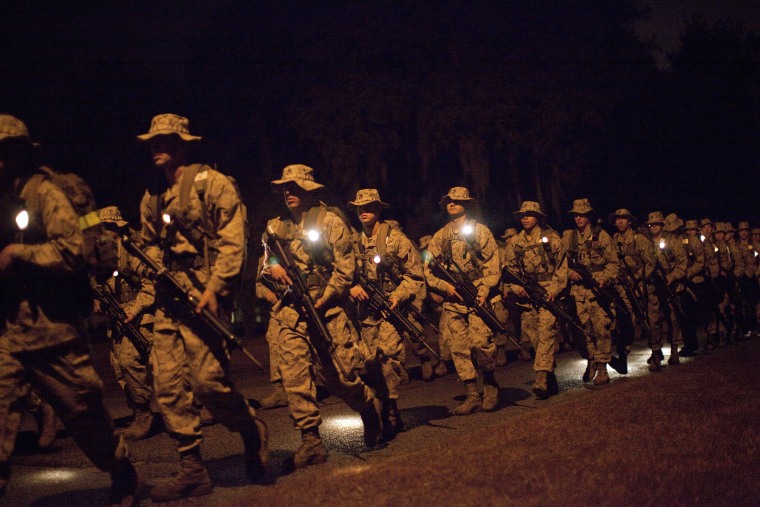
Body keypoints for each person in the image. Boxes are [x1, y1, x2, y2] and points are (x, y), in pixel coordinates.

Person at [0, 114, 139, 505]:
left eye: (6, 152)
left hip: (53, 329)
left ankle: (121, 470)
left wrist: (19, 254)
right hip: (8, 331)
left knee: (84, 414)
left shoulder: (45, 193)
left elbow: (73, 250)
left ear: (22, 154)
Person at [137, 113, 267, 501]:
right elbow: (146, 242)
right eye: (153, 143)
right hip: (169, 299)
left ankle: (249, 427)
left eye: (165, 141)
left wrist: (217, 286)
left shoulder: (213, 184)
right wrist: (154, 267)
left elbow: (233, 240)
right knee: (168, 384)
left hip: (206, 296)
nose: (157, 148)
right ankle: (193, 469)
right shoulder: (152, 195)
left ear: (183, 145)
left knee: (208, 383)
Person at [262, 164, 383, 469]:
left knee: (341, 377)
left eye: (295, 187)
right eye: (285, 188)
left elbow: (345, 270)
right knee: (295, 378)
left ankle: (368, 405)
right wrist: (271, 268)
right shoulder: (274, 227)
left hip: (326, 309)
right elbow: (265, 262)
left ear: (308, 189)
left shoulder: (331, 222)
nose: (288, 193)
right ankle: (311, 441)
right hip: (291, 311)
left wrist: (323, 298)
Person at [348, 189, 425, 440]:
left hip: (391, 311)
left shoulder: (396, 239)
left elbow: (414, 275)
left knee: (388, 359)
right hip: (365, 314)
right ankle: (382, 412)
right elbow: (340, 272)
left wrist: (398, 296)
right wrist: (351, 287)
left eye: (368, 206)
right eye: (359, 207)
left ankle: (390, 410)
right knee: (370, 364)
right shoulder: (351, 243)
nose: (363, 211)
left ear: (379, 209)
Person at [424, 187, 500, 414]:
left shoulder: (480, 231)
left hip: (477, 296)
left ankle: (490, 384)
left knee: (481, 343)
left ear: (466, 204)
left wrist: (484, 289)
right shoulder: (439, 237)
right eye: (449, 201)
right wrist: (444, 286)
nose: (452, 204)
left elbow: (493, 263)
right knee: (458, 348)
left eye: (457, 201)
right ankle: (471, 394)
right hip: (453, 299)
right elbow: (428, 269)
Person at [95, 206, 156, 440]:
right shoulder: (102, 255)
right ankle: (137, 412)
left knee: (131, 362)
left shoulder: (131, 248)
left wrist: (136, 308)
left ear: (117, 229)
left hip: (141, 315)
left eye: (109, 228)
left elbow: (150, 285)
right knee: (118, 367)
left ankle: (144, 415)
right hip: (117, 316)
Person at [503, 201, 567, 398]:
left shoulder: (552, 239)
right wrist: (515, 286)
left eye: (529, 214)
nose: (525, 218)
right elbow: (509, 269)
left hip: (548, 294)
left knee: (547, 333)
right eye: (522, 215)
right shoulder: (514, 242)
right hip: (527, 298)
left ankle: (540, 378)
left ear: (538, 217)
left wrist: (555, 289)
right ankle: (550, 377)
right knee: (536, 339)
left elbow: (561, 268)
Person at [562, 198, 619, 385]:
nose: (578, 218)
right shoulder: (568, 237)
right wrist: (568, 272)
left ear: (589, 216)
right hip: (577, 293)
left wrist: (604, 278)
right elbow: (558, 263)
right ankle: (592, 359)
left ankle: (603, 366)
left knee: (601, 328)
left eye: (582, 215)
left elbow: (613, 263)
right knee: (583, 329)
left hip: (596, 290)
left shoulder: (601, 236)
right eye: (576, 215)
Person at [609, 208, 655, 367]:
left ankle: (656, 352)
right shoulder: (613, 241)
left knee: (650, 319)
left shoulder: (640, 240)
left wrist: (639, 280)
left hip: (641, 286)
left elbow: (650, 264)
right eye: (617, 219)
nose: (620, 221)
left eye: (623, 218)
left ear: (630, 221)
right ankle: (623, 356)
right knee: (626, 321)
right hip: (622, 288)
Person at [644, 211, 687, 369]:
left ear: (662, 225)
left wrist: (672, 277)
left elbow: (682, 263)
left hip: (669, 285)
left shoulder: (672, 241)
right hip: (652, 286)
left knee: (672, 317)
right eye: (651, 224)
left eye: (656, 224)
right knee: (653, 320)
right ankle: (656, 352)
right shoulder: (646, 241)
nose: (653, 227)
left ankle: (675, 349)